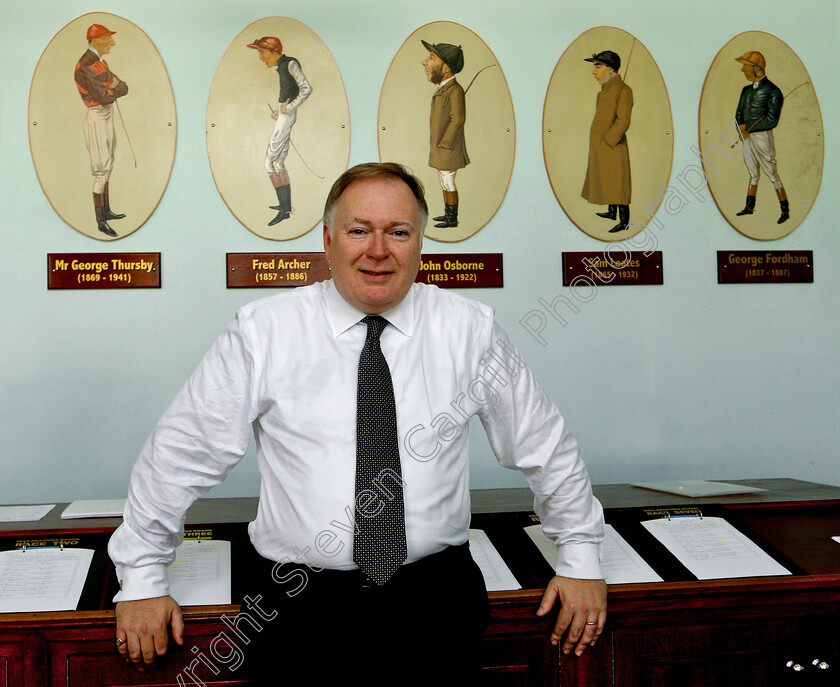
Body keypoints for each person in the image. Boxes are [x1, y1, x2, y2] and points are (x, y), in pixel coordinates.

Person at [109, 162, 606, 684]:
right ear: (327, 239)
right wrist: (141, 576)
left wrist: (580, 559)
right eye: (358, 230)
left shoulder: (470, 329)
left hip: (434, 605)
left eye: (398, 231)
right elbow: (180, 455)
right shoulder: (263, 332)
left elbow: (545, 446)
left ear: (420, 244)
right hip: (295, 607)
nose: (378, 249)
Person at [247, 36, 312, 227]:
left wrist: (289, 108)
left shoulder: (290, 63)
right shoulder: (281, 66)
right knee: (280, 160)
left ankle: (284, 210)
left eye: (262, 52)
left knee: (269, 161)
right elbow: (289, 92)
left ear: (274, 51)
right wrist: (281, 110)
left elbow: (306, 88)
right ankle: (286, 207)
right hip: (285, 114)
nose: (260, 57)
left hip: (288, 114)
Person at [74, 24, 129, 238]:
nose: (112, 43)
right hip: (96, 117)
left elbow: (124, 86)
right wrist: (110, 89)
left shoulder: (100, 62)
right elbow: (104, 96)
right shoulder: (84, 65)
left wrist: (110, 89)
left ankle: (106, 211)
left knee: (109, 164)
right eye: (107, 39)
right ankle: (100, 221)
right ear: (95, 40)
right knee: (100, 170)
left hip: (107, 115)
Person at [581, 50, 633, 234]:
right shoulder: (602, 92)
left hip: (613, 145)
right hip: (600, 145)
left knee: (618, 182)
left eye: (597, 67)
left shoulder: (624, 91)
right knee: (607, 180)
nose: (594, 71)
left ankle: (624, 220)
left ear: (610, 69)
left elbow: (623, 120)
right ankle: (612, 212)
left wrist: (609, 139)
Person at [734, 51, 789, 224]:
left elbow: (772, 120)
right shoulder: (745, 90)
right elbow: (739, 112)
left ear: (756, 68)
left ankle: (785, 210)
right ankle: (749, 207)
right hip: (746, 135)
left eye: (746, 65)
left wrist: (750, 128)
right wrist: (741, 127)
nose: (743, 70)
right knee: (752, 172)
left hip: (762, 136)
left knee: (771, 173)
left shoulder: (774, 91)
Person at [422, 40, 469, 228]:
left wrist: (445, 144)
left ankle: (452, 218)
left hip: (448, 149)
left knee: (448, 182)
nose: (425, 62)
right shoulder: (444, 88)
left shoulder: (455, 90)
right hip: (442, 149)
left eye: (432, 58)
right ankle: (448, 214)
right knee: (444, 181)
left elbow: (457, 120)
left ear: (446, 67)